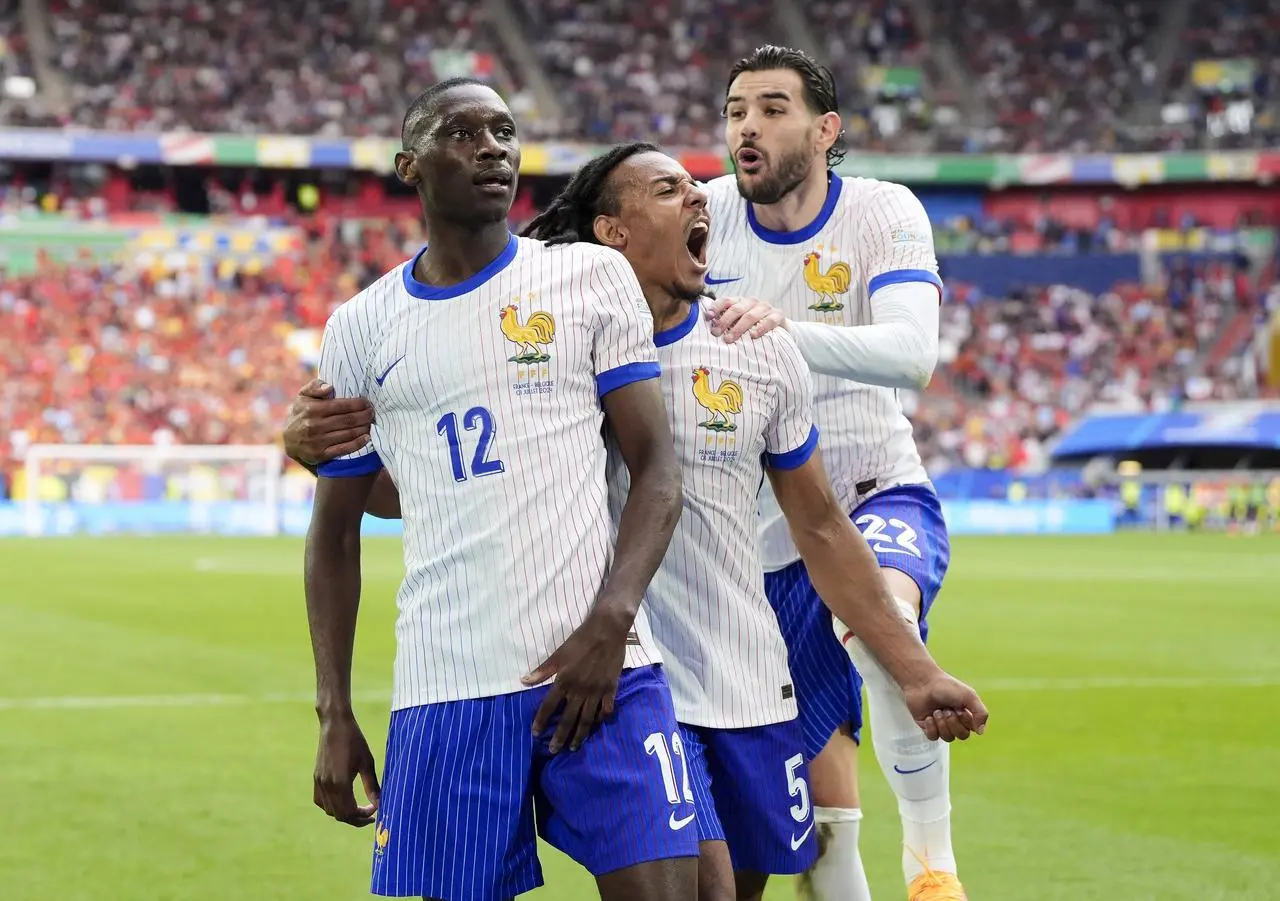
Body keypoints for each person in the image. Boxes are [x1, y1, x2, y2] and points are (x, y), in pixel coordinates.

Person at [287, 142, 989, 901]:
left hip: (735, 682)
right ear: (614, 232)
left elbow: (821, 527)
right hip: (620, 683)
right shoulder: (548, 343)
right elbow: (437, 481)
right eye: (669, 190)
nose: (700, 200)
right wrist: (310, 449)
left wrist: (915, 673)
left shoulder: (754, 351)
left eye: (696, 187)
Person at [303, 77, 699, 901]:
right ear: (410, 164)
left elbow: (658, 463)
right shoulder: (361, 327)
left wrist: (611, 619)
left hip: (607, 670)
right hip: (448, 685)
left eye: (505, 131)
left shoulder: (588, 278)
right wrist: (334, 713)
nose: (492, 147)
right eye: (463, 132)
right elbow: (340, 528)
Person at [701, 45, 970, 900]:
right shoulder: (701, 214)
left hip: (872, 487)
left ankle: (931, 860)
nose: (749, 125)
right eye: (737, 109)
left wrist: (774, 329)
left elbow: (910, 352)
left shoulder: (884, 212)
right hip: (755, 538)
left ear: (825, 129)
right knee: (816, 811)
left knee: (882, 616)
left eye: (772, 108)